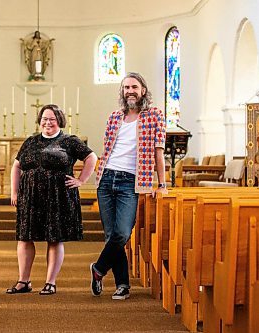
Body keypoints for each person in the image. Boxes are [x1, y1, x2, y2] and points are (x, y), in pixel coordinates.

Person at [90, 72, 167, 300]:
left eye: (134, 86)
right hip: (106, 178)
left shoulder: (154, 115)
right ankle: (122, 284)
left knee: (122, 233)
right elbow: (107, 148)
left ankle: (98, 269)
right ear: (122, 92)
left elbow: (158, 152)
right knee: (111, 235)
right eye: (125, 87)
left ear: (143, 90)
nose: (130, 91)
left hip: (131, 181)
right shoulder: (114, 116)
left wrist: (162, 183)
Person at [6, 104, 97, 295]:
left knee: (54, 239)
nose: (48, 122)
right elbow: (16, 166)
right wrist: (14, 192)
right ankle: (24, 281)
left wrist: (81, 180)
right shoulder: (30, 141)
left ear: (60, 121)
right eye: (45, 119)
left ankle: (50, 282)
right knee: (24, 238)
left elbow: (91, 157)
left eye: (52, 119)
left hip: (58, 197)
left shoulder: (69, 141)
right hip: (30, 197)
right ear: (40, 121)